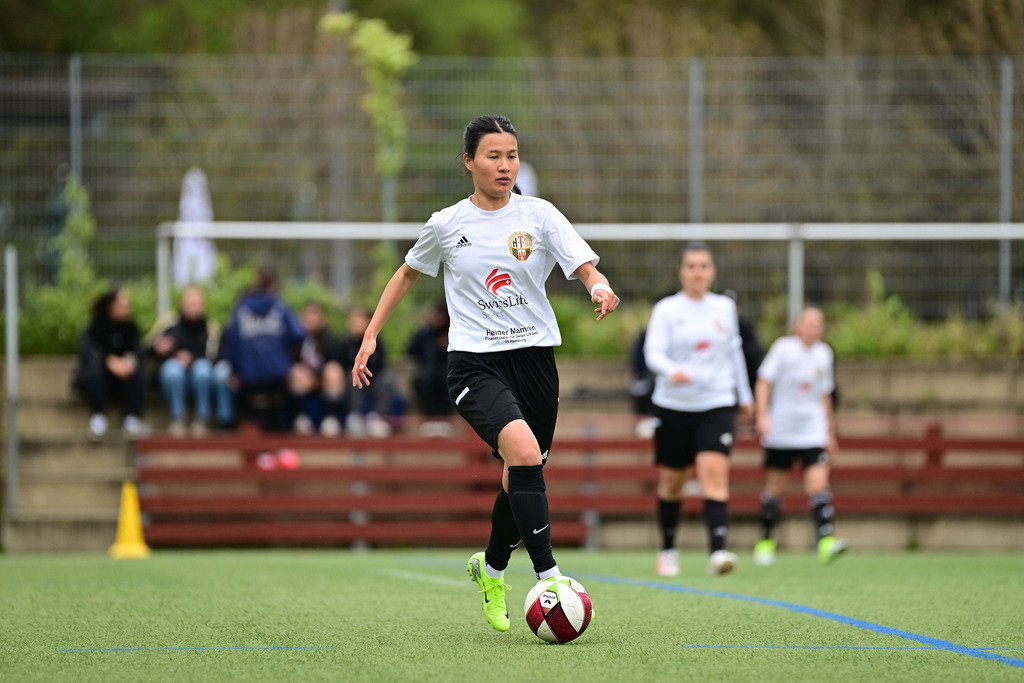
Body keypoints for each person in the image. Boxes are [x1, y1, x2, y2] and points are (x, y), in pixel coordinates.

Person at [350, 114, 619, 633]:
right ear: (469, 162)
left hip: (536, 359)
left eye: (512, 156)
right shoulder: (448, 224)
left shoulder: (539, 215)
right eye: (493, 156)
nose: (504, 166)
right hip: (474, 362)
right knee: (522, 454)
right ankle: (551, 577)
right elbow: (406, 274)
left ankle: (491, 568)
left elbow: (584, 265)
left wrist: (598, 288)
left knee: (520, 472)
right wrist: (370, 334)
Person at [644, 242, 754, 577]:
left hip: (716, 402)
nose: (697, 272)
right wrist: (671, 370)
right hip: (674, 404)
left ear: (713, 272)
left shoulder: (724, 307)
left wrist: (745, 396)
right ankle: (668, 550)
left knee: (714, 474)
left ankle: (718, 551)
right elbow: (653, 353)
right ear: (681, 271)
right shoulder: (666, 309)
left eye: (703, 266)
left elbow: (735, 353)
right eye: (691, 266)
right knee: (673, 482)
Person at [753, 306, 848, 566]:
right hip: (782, 431)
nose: (812, 328)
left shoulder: (824, 353)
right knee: (775, 488)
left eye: (817, 324)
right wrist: (762, 416)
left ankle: (825, 542)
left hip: (812, 431)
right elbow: (763, 382)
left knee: (818, 486)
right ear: (797, 325)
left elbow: (824, 394)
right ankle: (766, 541)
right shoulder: (783, 348)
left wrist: (830, 431)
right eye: (807, 323)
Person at [220, 267, 305, 432]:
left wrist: (235, 369)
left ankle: (261, 454)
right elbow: (297, 334)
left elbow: (230, 341)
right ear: (272, 285)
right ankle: (279, 452)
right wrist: (291, 360)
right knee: (279, 417)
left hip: (249, 376)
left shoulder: (241, 309)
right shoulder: (280, 307)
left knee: (256, 419)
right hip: (279, 373)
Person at [146, 286, 232, 436]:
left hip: (199, 379)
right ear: (182, 303)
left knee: (202, 369)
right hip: (173, 378)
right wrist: (156, 348)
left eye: (197, 304)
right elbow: (145, 348)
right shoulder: (168, 322)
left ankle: (202, 419)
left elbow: (216, 357)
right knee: (173, 369)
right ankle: (177, 418)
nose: (194, 307)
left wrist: (192, 359)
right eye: (191, 303)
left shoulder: (211, 328)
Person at [71, 288, 148, 440]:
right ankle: (98, 417)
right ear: (111, 307)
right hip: (101, 379)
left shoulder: (131, 329)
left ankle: (131, 418)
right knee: (93, 373)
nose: (127, 308)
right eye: (122, 304)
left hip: (123, 379)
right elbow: (86, 351)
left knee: (137, 375)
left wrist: (129, 362)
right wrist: (109, 361)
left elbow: (139, 351)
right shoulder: (94, 328)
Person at [338, 306, 402, 437]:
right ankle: (355, 416)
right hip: (355, 380)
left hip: (374, 378)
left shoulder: (376, 341)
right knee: (352, 376)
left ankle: (377, 416)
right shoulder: (345, 342)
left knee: (387, 378)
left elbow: (381, 364)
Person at [288, 301, 346, 436]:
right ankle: (301, 419)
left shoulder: (331, 339)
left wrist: (317, 377)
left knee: (334, 369)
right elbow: (292, 361)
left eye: (315, 315)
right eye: (308, 315)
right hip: (303, 380)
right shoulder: (296, 339)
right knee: (296, 370)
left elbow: (335, 361)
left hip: (324, 381)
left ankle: (331, 418)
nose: (312, 319)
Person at [406, 299, 455, 436]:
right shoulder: (426, 332)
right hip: (427, 371)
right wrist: (424, 330)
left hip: (449, 370)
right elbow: (411, 351)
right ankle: (429, 419)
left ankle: (444, 420)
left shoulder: (453, 332)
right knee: (423, 380)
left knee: (447, 382)